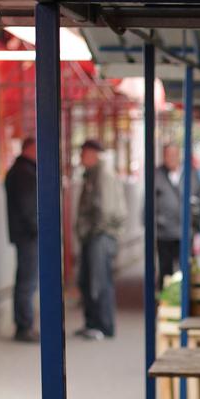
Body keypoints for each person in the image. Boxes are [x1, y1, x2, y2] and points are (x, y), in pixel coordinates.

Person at [74, 139, 125, 340]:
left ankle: (103, 326)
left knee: (99, 281)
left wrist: (93, 230)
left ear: (92, 154)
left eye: (83, 154)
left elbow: (106, 209)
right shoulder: (92, 175)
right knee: (88, 280)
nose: (80, 159)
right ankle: (92, 323)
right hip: (94, 236)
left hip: (100, 236)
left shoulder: (103, 176)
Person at [154, 144, 200, 290]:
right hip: (164, 233)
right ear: (164, 156)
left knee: (186, 267)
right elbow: (148, 203)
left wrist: (195, 223)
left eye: (174, 154)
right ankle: (165, 299)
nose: (171, 158)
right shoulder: (157, 175)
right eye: (168, 155)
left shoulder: (190, 174)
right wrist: (157, 222)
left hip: (185, 231)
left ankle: (184, 297)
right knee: (165, 269)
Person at [3, 137, 39, 342]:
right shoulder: (24, 173)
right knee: (28, 281)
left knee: (26, 280)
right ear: (30, 149)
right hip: (28, 236)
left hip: (24, 235)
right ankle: (24, 326)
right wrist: (39, 230)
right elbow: (28, 208)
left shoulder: (21, 170)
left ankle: (24, 324)